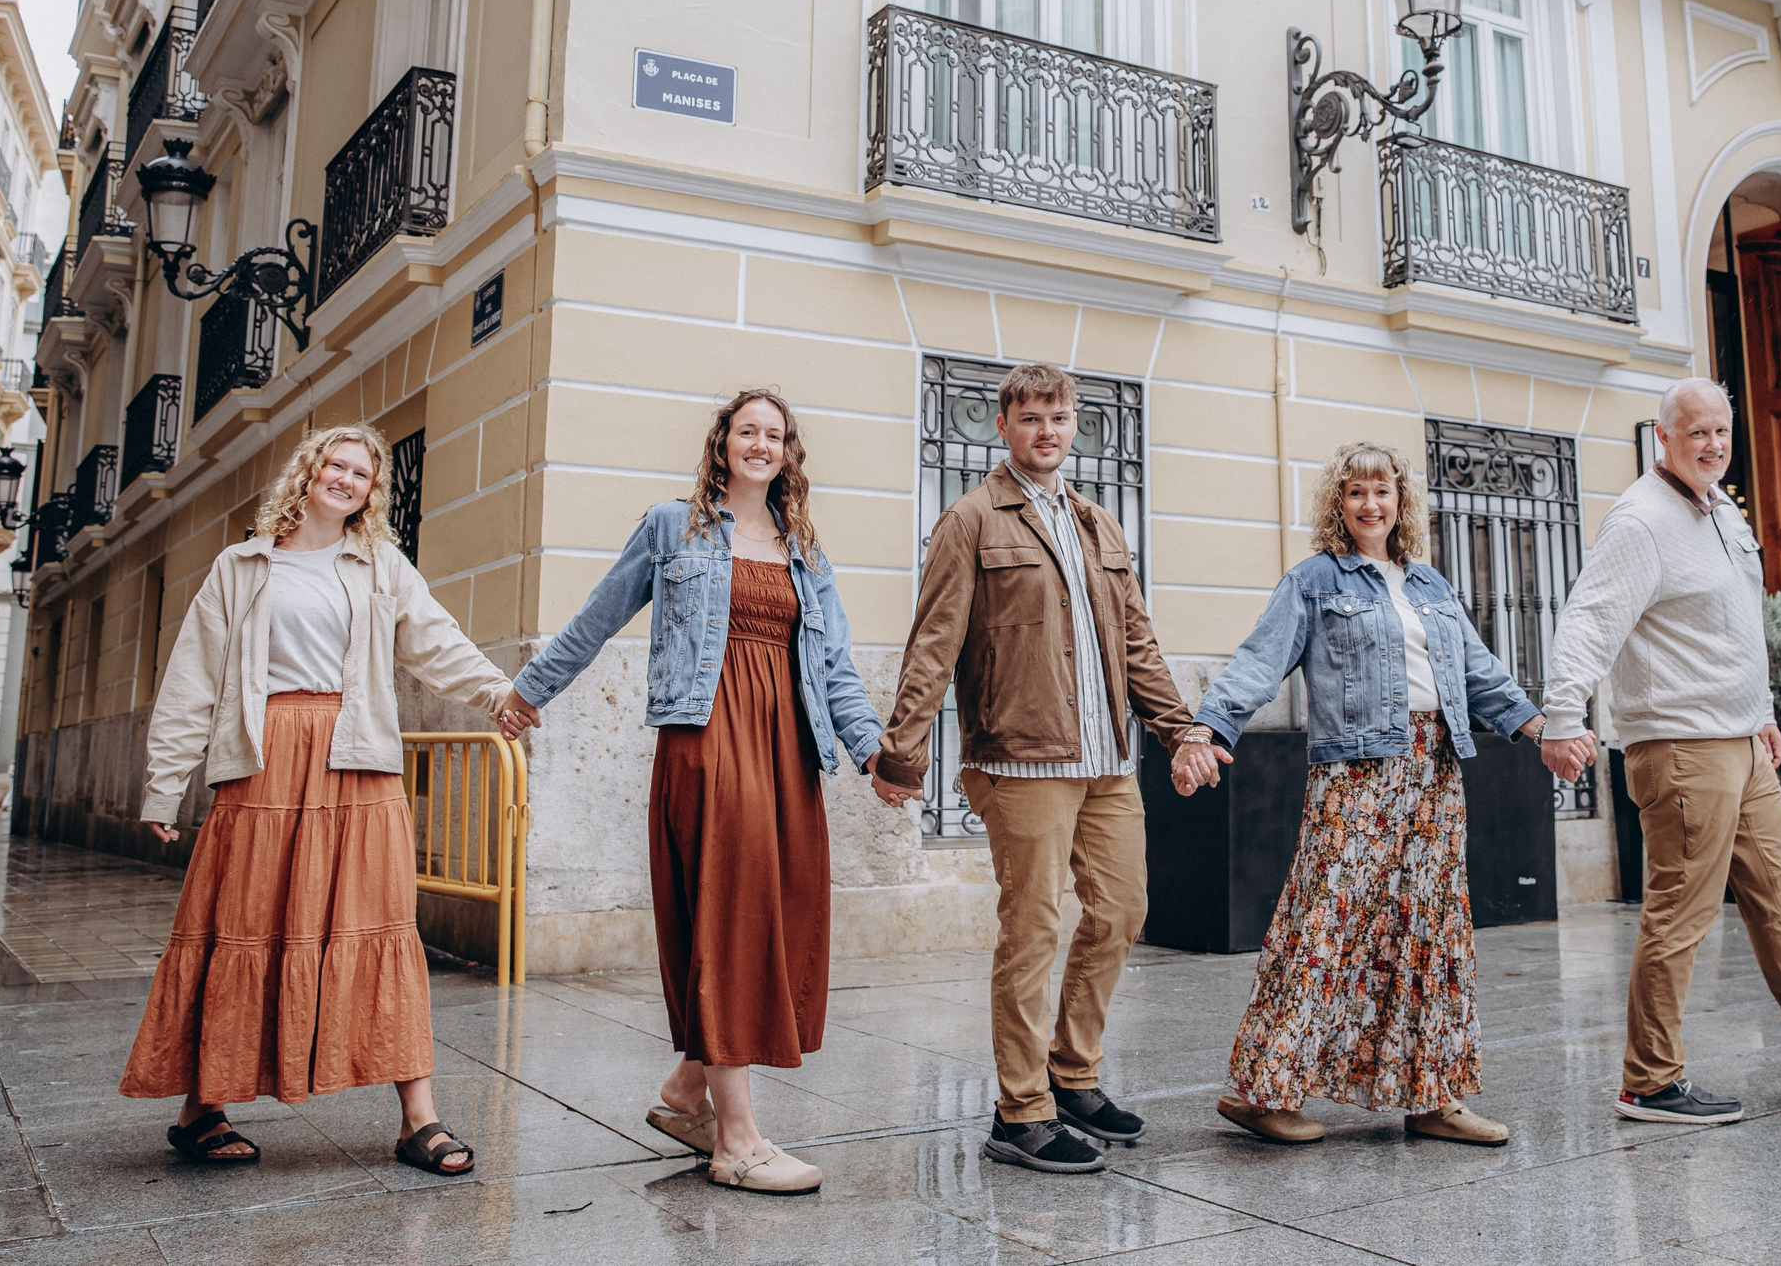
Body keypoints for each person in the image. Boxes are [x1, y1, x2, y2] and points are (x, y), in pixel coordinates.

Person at [497, 390, 884, 1195]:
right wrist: (531, 689)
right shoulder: (673, 525)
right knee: (733, 916)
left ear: (788, 453)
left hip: (788, 748)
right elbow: (598, 616)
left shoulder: (804, 548)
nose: (761, 443)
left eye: (775, 434)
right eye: (748, 429)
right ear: (723, 441)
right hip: (708, 740)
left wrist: (871, 750)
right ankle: (737, 1141)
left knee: (773, 911)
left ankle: (686, 1093)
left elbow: (837, 664)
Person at [123, 424, 517, 1176]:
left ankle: (418, 1118)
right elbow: (191, 680)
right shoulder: (241, 567)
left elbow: (436, 641)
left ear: (370, 492)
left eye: (360, 473)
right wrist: (163, 784)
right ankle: (201, 1108)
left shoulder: (380, 567)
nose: (345, 478)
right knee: (243, 925)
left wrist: (497, 691)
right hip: (265, 760)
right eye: (334, 464)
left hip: (358, 758)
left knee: (379, 925)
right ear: (307, 473)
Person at [1538, 378, 1781, 1125]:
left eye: (1721, 430)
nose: (1712, 444)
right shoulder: (1641, 521)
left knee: (1779, 895)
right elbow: (1588, 620)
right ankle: (1648, 1080)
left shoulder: (1723, 509)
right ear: (1664, 438)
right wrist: (1563, 716)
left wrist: (1760, 713)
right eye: (1696, 433)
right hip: (1683, 748)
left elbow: (1732, 625)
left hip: (1740, 742)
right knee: (1680, 914)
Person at [870, 362, 1207, 1175]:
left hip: (1105, 762)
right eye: (1030, 419)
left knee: (1123, 910)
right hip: (1021, 762)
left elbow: (1137, 641)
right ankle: (1019, 1111)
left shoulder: (1097, 524)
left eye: (1059, 418)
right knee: (1034, 931)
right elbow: (934, 642)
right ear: (1005, 427)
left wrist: (1181, 728)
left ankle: (1073, 1072)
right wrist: (902, 752)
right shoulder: (971, 519)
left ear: (1073, 426)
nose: (1046, 431)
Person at [1184, 441, 1545, 1146]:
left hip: (1435, 768)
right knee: (1326, 925)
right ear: (1339, 505)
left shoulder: (1432, 585)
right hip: (1356, 773)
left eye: (1382, 492)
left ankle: (1431, 1095)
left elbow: (1479, 672)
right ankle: (1264, 1090)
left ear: (1401, 502)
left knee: (1432, 926)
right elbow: (1261, 658)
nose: (1370, 504)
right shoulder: (1316, 580)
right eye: (1355, 493)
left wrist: (1541, 727)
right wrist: (1208, 726)